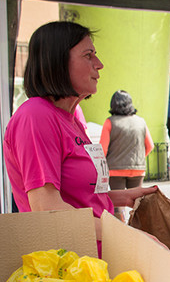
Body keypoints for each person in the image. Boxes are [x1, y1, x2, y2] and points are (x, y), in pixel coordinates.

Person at [3, 21, 157, 248]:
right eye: (88, 55)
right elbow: (48, 209)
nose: (99, 64)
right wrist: (128, 236)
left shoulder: (71, 118)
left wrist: (121, 197)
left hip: (90, 263)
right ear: (58, 61)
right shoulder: (36, 116)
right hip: (67, 269)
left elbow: (77, 197)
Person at [99, 90, 154, 219]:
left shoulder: (110, 122)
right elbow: (150, 146)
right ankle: (138, 232)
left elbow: (102, 149)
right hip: (138, 169)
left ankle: (119, 232)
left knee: (117, 205)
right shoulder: (141, 122)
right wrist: (138, 159)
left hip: (115, 170)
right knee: (137, 204)